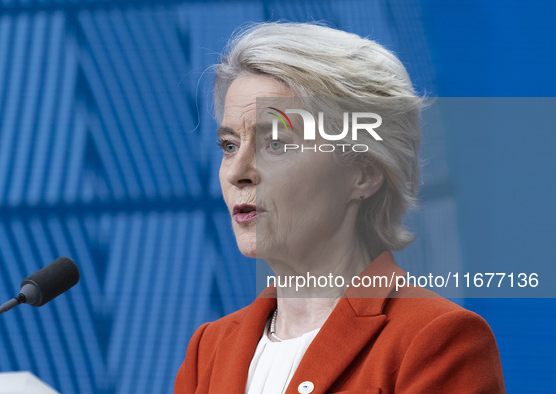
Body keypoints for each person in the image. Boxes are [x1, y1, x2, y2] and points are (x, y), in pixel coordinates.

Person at [175, 22, 505, 393]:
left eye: (276, 143)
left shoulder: (436, 339)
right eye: (230, 146)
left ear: (364, 172)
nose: (237, 172)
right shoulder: (209, 350)